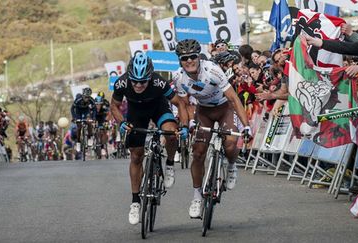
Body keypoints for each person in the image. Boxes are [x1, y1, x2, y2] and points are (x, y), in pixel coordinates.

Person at [172, 39, 251, 218]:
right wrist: (190, 121)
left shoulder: (213, 71)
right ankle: (197, 196)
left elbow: (234, 99)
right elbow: (184, 104)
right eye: (185, 58)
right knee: (198, 153)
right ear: (179, 61)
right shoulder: (178, 77)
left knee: (230, 144)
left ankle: (231, 166)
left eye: (193, 56)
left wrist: (246, 126)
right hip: (203, 111)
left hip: (224, 109)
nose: (189, 61)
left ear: (199, 57)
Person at [110, 52, 189, 225]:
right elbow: (114, 106)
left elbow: (180, 103)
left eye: (143, 81)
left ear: (150, 77)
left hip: (158, 108)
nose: (138, 85)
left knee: (170, 132)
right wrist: (122, 122)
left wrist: (184, 126)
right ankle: (135, 202)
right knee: (136, 156)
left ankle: (169, 164)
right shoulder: (122, 82)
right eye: (135, 81)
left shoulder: (159, 82)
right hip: (136, 113)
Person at [71, 87, 96, 152]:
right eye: (85, 97)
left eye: (88, 97)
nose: (86, 99)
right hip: (78, 111)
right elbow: (72, 109)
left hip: (86, 111)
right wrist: (74, 117)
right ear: (83, 95)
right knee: (79, 127)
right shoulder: (78, 99)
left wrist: (93, 118)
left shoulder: (91, 100)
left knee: (89, 122)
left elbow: (94, 109)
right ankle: (78, 142)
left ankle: (90, 138)